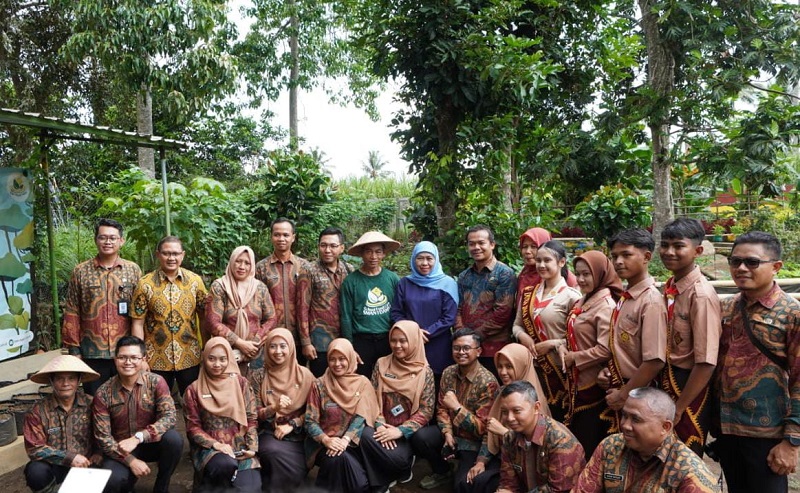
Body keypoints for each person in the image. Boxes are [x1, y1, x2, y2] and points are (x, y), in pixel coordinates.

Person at [713, 231, 800, 493]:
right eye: (734, 261)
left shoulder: (791, 313)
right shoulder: (725, 308)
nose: (740, 268)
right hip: (727, 429)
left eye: (751, 262)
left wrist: (792, 441)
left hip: (768, 433)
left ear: (775, 267)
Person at [573, 387, 718, 492]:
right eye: (624, 415)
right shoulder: (611, 446)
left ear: (665, 427)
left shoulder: (690, 473)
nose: (625, 425)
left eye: (636, 419)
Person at [657, 218, 720, 455]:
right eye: (664, 245)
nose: (669, 252)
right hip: (666, 379)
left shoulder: (700, 295)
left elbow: (705, 362)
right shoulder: (671, 286)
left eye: (678, 246)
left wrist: (680, 406)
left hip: (688, 386)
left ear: (698, 251)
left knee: (684, 459)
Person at [92, 336, 183, 493]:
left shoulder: (156, 382)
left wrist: (139, 437)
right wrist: (131, 460)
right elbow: (103, 438)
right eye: (122, 357)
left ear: (143, 359)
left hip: (151, 443)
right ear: (115, 359)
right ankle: (128, 485)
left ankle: (162, 487)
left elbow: (169, 417)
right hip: (121, 448)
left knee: (174, 440)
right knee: (113, 480)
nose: (128, 362)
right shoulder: (103, 393)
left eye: (134, 357)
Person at [62, 218, 141, 395]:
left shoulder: (133, 270)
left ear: (121, 241)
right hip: (92, 352)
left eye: (113, 238)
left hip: (125, 352)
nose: (108, 242)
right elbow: (72, 311)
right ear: (96, 239)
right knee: (95, 401)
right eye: (103, 237)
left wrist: (141, 351)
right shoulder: (81, 271)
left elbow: (141, 313)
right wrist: (74, 351)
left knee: (127, 400)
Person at [413, 328, 499, 491]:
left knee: (462, 485)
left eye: (466, 348)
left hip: (473, 443)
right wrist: (447, 433)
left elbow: (483, 429)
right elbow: (441, 410)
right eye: (456, 348)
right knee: (420, 437)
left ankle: (459, 470)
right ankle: (442, 471)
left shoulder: (488, 382)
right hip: (452, 434)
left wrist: (458, 408)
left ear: (478, 351)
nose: (461, 352)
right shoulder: (448, 373)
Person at [598, 229, 667, 432]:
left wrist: (624, 394)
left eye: (626, 255)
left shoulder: (650, 301)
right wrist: (608, 370)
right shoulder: (627, 297)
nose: (618, 261)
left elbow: (654, 360)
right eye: (614, 256)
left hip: (639, 392)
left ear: (646, 257)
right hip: (620, 385)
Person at [558, 250, 621, 458]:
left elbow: (605, 348)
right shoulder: (582, 300)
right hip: (576, 383)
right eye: (578, 274)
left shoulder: (606, 305)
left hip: (593, 384)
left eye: (587, 274)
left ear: (601, 274)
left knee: (589, 442)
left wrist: (574, 357)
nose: (582, 279)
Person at [360, 321, 436, 493]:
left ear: (414, 341)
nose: (397, 345)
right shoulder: (381, 364)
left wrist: (400, 431)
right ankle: (380, 484)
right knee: (364, 435)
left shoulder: (425, 372)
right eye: (393, 340)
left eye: (403, 340)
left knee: (398, 460)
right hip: (381, 428)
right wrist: (380, 425)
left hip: (405, 434)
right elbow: (371, 398)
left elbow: (427, 409)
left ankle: (402, 468)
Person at [513, 240, 581, 421]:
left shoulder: (572, 296)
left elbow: (581, 338)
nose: (541, 265)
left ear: (561, 262)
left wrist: (552, 344)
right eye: (538, 260)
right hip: (533, 368)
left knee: (558, 418)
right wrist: (523, 336)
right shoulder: (529, 293)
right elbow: (517, 324)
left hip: (559, 370)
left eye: (547, 260)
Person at [470, 344, 552, 493]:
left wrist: (503, 432)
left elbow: (534, 448)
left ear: (522, 366)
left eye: (509, 366)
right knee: (468, 482)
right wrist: (481, 461)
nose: (503, 372)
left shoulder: (534, 400)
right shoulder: (502, 393)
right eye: (500, 366)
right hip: (504, 459)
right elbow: (490, 432)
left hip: (528, 469)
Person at [131, 236, 207, 395]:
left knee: (192, 403)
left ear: (183, 255)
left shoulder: (195, 281)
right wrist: (140, 358)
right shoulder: (145, 284)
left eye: (175, 253)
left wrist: (206, 350)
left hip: (189, 355)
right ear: (158, 255)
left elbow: (204, 318)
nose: (171, 258)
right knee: (155, 403)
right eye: (166, 253)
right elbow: (138, 323)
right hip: (155, 358)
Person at [183, 337, 261, 492]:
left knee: (250, 489)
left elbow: (251, 419)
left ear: (230, 359)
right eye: (211, 359)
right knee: (224, 465)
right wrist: (216, 445)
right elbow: (193, 428)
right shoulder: (194, 390)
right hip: (210, 448)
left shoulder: (241, 383)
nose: (217, 364)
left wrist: (252, 448)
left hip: (240, 446)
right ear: (204, 359)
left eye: (222, 359)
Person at [304, 338, 380, 493]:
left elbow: (362, 416)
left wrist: (345, 439)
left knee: (358, 482)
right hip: (325, 445)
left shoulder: (362, 383)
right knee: (341, 464)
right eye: (332, 359)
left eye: (342, 359)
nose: (337, 364)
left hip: (353, 442)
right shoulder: (319, 384)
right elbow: (309, 421)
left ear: (351, 358)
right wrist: (327, 440)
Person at [23, 355, 101, 493]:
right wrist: (68, 458)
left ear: (79, 381)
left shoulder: (92, 404)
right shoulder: (38, 411)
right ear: (51, 381)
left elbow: (105, 432)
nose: (66, 383)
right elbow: (35, 449)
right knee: (36, 471)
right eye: (59, 378)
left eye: (71, 378)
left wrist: (98, 452)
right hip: (54, 464)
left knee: (113, 471)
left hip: (86, 462)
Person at [250, 328, 314, 492]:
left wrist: (292, 424)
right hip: (270, 432)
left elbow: (315, 410)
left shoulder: (305, 375)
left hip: (299, 434)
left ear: (291, 348)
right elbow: (253, 413)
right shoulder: (258, 376)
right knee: (272, 452)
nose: (278, 351)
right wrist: (274, 408)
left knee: (296, 469)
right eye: (273, 346)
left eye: (283, 346)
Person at [495, 380, 585, 493]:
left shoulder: (560, 440)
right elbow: (508, 483)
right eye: (504, 412)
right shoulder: (510, 438)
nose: (509, 418)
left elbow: (558, 490)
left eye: (516, 411)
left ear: (536, 407)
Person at [391, 241, 458, 388]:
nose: (424, 263)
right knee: (411, 383)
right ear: (413, 259)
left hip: (438, 344)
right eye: (420, 258)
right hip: (408, 344)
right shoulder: (405, 283)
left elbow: (449, 317)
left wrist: (424, 333)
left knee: (437, 383)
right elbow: (396, 312)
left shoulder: (447, 283)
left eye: (429, 258)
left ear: (436, 260)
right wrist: (413, 333)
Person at [455, 225, 517, 377]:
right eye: (471, 243)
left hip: (494, 349)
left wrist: (473, 339)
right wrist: (463, 337)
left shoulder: (504, 274)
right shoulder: (464, 276)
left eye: (481, 243)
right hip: (467, 349)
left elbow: (502, 314)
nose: (476, 247)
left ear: (492, 244)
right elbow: (458, 308)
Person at [205, 245, 277, 373]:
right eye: (238, 261)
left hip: (256, 352)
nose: (242, 266)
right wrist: (240, 343)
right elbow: (212, 322)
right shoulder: (220, 287)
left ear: (252, 266)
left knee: (254, 390)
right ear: (232, 261)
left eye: (247, 263)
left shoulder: (259, 288)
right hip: (226, 354)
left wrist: (255, 343)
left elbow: (271, 318)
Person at [340, 230, 401, 377]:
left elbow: (399, 309)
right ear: (362, 253)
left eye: (378, 252)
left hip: (387, 338)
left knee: (388, 378)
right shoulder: (351, 281)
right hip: (362, 340)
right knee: (362, 379)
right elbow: (346, 316)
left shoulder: (392, 278)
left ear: (384, 254)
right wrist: (350, 345)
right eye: (369, 252)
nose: (373, 257)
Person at [298, 227, 355, 377]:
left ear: (342, 248)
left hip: (344, 339)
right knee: (322, 383)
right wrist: (306, 342)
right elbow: (302, 308)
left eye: (333, 246)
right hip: (320, 342)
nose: (327, 250)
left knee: (345, 381)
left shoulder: (349, 270)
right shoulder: (309, 270)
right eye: (323, 245)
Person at [255, 218, 310, 362]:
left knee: (299, 377)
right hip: (271, 338)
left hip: (299, 337)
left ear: (293, 237)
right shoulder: (260, 268)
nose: (281, 239)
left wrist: (307, 339)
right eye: (277, 234)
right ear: (271, 237)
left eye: (286, 235)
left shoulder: (305, 266)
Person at [516, 228, 577, 304]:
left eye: (533, 246)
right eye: (525, 247)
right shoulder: (524, 274)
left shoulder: (565, 277)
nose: (528, 251)